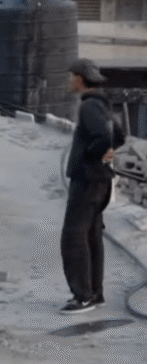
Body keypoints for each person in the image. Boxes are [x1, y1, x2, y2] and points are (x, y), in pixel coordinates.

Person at [59, 58, 125, 314]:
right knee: (91, 236)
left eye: (70, 76)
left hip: (87, 181)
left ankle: (82, 296)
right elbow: (118, 136)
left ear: (79, 78)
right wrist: (108, 149)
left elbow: (104, 137)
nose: (68, 81)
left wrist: (91, 154)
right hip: (100, 181)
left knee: (73, 237)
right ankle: (95, 294)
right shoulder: (102, 103)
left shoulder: (89, 106)